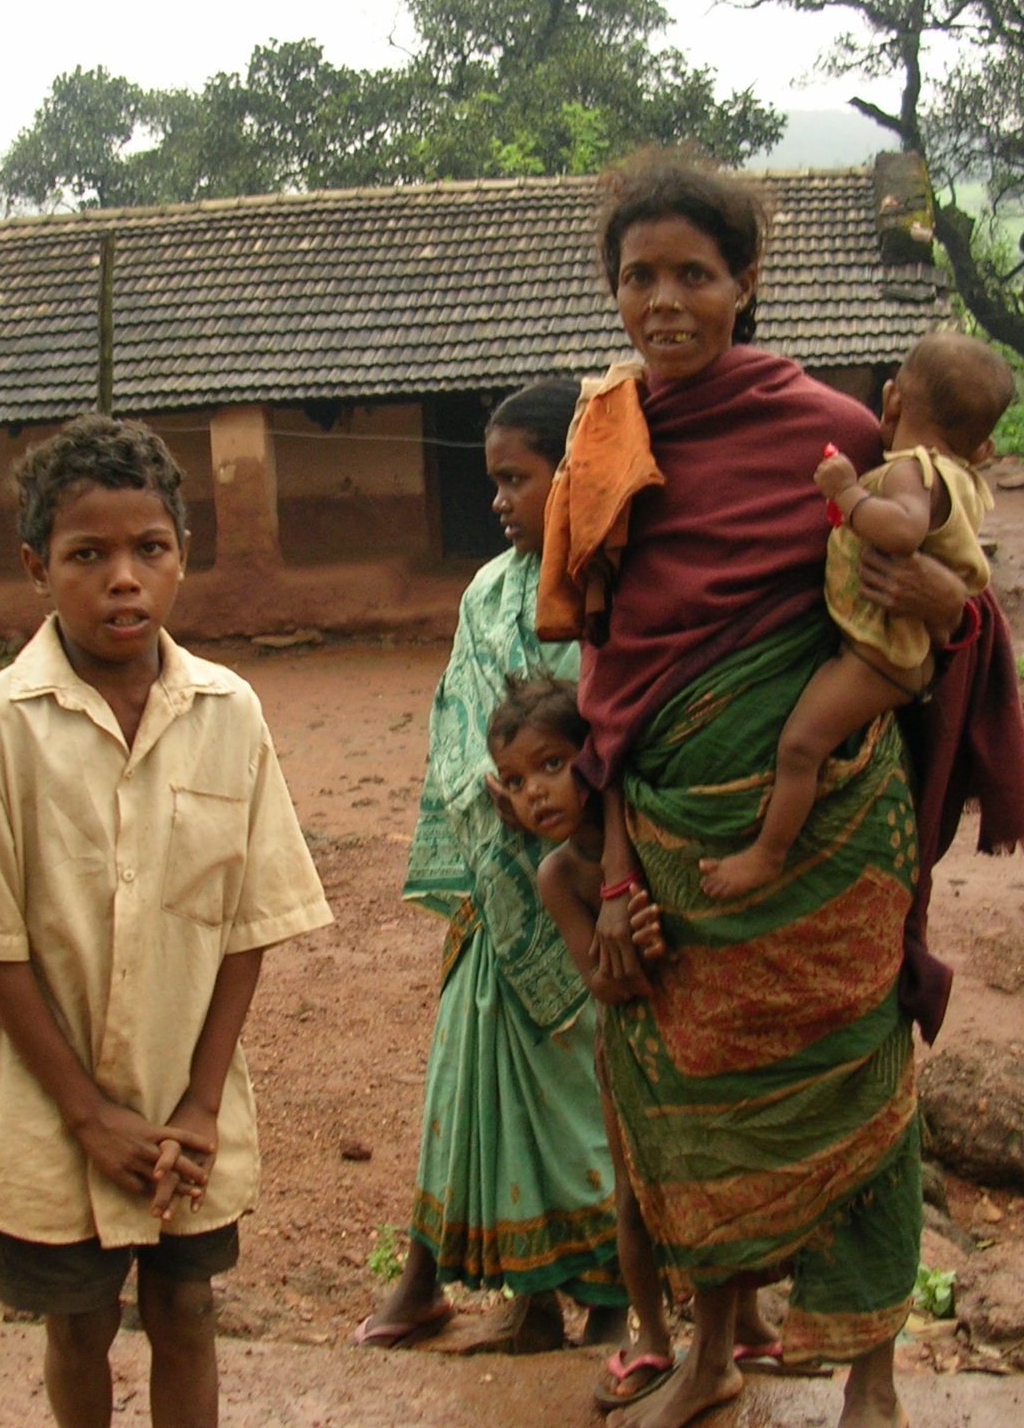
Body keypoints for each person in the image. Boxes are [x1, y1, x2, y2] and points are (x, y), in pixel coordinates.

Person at [538, 149, 1024, 1428]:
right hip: (669, 841)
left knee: (860, 1082)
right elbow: (602, 676)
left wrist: (948, 600)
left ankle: (872, 1381)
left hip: (829, 838)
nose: (666, 301)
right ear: (611, 290)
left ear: (744, 282)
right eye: (639, 275)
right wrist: (605, 874)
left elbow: (948, 599)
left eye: (694, 275)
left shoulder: (833, 427)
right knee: (687, 1093)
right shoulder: (601, 449)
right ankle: (710, 1354)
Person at [0, 416, 332, 1428]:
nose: (122, 579)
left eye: (149, 549)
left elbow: (250, 921)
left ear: (182, 558)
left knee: (187, 1307)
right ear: (35, 566)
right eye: (86, 555)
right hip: (50, 1108)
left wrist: (195, 1105)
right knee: (79, 1324)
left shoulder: (227, 711)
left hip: (187, 1100)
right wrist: (89, 1114)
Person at [354, 379, 629, 1356]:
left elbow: (619, 725)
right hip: (493, 886)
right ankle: (527, 1300)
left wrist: (561, 793)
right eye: (492, 483)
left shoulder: (609, 582)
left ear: (568, 477)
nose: (498, 501)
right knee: (470, 1086)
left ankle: (605, 1300)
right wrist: (496, 792)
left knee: (580, 1100)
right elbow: (456, 725)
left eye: (515, 480)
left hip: (580, 878)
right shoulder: (485, 591)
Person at [699, 333, 1012, 899]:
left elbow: (904, 530)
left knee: (799, 746)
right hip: (888, 654)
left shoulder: (910, 472)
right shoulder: (963, 479)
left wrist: (847, 492)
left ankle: (767, 855)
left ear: (891, 401)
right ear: (983, 448)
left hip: (877, 659)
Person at [481, 675, 676, 1408]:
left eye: (552, 765)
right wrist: (635, 950)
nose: (535, 793)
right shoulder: (561, 873)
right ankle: (650, 1335)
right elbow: (600, 981)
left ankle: (744, 1323)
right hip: (623, 1054)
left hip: (693, 1041)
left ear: (593, 760)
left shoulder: (653, 829)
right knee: (632, 1198)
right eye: (516, 781)